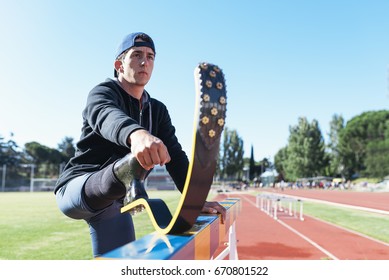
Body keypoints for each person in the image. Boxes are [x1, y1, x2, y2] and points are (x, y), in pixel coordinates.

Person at [54, 32, 226, 257]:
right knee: (135, 161)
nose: (145, 62)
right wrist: (136, 135)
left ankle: (130, 177)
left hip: (115, 205)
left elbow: (174, 155)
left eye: (150, 56)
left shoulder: (158, 110)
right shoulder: (102, 92)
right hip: (79, 188)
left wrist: (194, 200)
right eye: (136, 55)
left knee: (122, 265)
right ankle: (130, 174)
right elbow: (105, 115)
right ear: (119, 65)